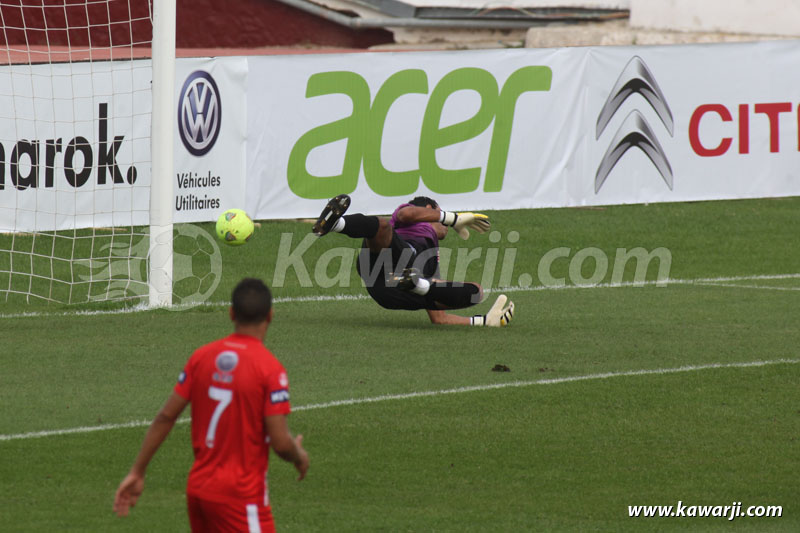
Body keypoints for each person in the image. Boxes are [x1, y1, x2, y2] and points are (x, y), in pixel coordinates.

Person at [113, 278, 309, 532]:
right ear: (270, 315)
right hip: (241, 496)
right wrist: (299, 455)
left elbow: (165, 417)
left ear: (231, 313)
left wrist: (138, 471)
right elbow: (281, 443)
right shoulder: (270, 370)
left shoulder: (202, 357)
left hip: (199, 492)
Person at [313, 194, 514, 327]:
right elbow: (406, 213)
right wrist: (452, 218)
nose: (446, 227)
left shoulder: (431, 253)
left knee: (475, 291)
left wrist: (482, 321)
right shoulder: (410, 220)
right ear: (429, 209)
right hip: (389, 262)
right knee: (381, 226)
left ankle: (418, 284)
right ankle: (335, 223)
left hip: (391, 292)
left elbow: (439, 317)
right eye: (438, 213)